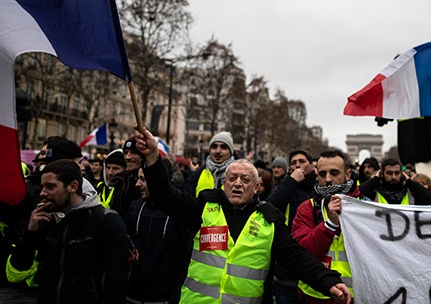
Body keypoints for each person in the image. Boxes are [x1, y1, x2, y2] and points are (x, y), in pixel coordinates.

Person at [134, 128, 352, 304]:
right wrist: (153, 157)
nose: (238, 183)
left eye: (245, 180)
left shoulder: (270, 220)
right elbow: (165, 197)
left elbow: (297, 258)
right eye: (232, 178)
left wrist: (327, 282)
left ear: (257, 187)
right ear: (224, 183)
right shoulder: (203, 207)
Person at [0, 138, 93, 303]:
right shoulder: (21, 190)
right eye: (78, 162)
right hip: (14, 290)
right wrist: (19, 251)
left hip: (48, 288)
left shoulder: (77, 196)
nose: (82, 167)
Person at [8, 159, 129, 303]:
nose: (42, 193)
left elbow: (117, 279)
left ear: (73, 186)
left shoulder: (106, 220)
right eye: (42, 187)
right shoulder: (45, 221)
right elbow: (17, 271)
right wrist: (30, 234)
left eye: (50, 187)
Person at [292, 149, 362, 303]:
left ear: (348, 174)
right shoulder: (307, 208)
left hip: (356, 296)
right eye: (322, 174)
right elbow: (302, 255)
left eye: (334, 173)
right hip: (314, 295)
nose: (328, 179)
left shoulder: (365, 207)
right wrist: (329, 225)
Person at [125, 168, 192, 303]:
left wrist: (173, 298)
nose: (138, 184)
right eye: (138, 178)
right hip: (131, 296)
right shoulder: (134, 207)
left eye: (143, 179)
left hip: (162, 298)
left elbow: (187, 260)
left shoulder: (180, 211)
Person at [266, 149, 317, 303]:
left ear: (312, 166)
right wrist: (291, 182)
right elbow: (269, 206)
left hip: (313, 268)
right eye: (293, 163)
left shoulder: (319, 189)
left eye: (302, 161)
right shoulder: (285, 187)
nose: (297, 166)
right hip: (287, 271)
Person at [359, 158, 431, 205]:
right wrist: (375, 180)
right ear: (381, 173)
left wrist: (410, 182)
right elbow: (355, 196)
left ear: (402, 174)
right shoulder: (373, 192)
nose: (393, 177)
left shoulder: (411, 192)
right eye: (389, 173)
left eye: (397, 173)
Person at [184, 131, 236, 197]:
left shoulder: (239, 174)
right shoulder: (197, 174)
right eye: (214, 147)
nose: (218, 151)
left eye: (223, 147)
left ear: (230, 152)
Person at [109, 136, 144, 218]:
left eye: (133, 153)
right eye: (126, 153)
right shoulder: (120, 180)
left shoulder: (151, 181)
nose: (128, 157)